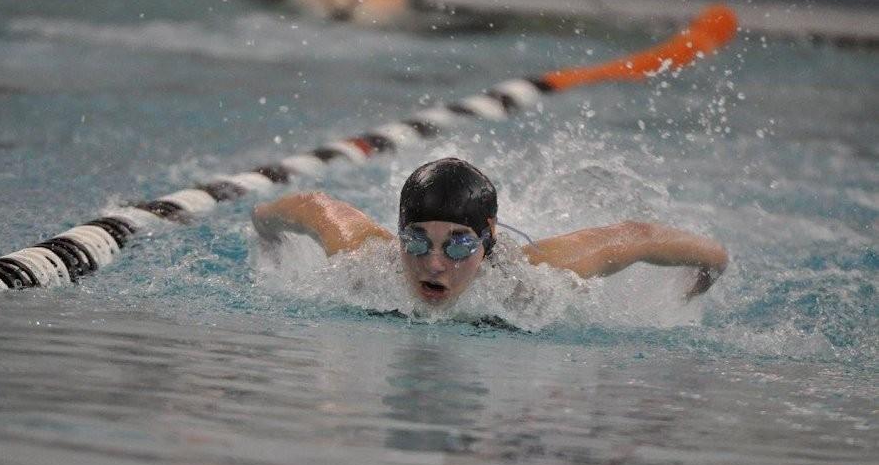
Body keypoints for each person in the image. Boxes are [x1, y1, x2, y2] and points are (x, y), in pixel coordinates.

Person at [252, 157, 728, 306]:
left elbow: (640, 235)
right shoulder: (364, 263)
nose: (434, 263)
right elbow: (310, 206)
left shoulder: (535, 282)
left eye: (459, 244)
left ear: (488, 237)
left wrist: (705, 276)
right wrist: (265, 233)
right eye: (416, 241)